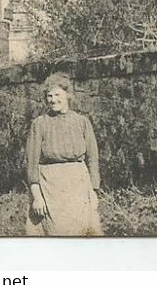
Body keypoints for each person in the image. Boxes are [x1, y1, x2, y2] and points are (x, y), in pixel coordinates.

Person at [24, 72, 103, 237]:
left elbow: (92, 159)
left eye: (57, 95)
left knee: (85, 235)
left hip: (79, 188)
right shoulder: (39, 124)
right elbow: (31, 164)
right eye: (49, 96)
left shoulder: (82, 122)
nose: (53, 100)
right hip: (50, 189)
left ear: (68, 95)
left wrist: (94, 191)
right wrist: (37, 196)